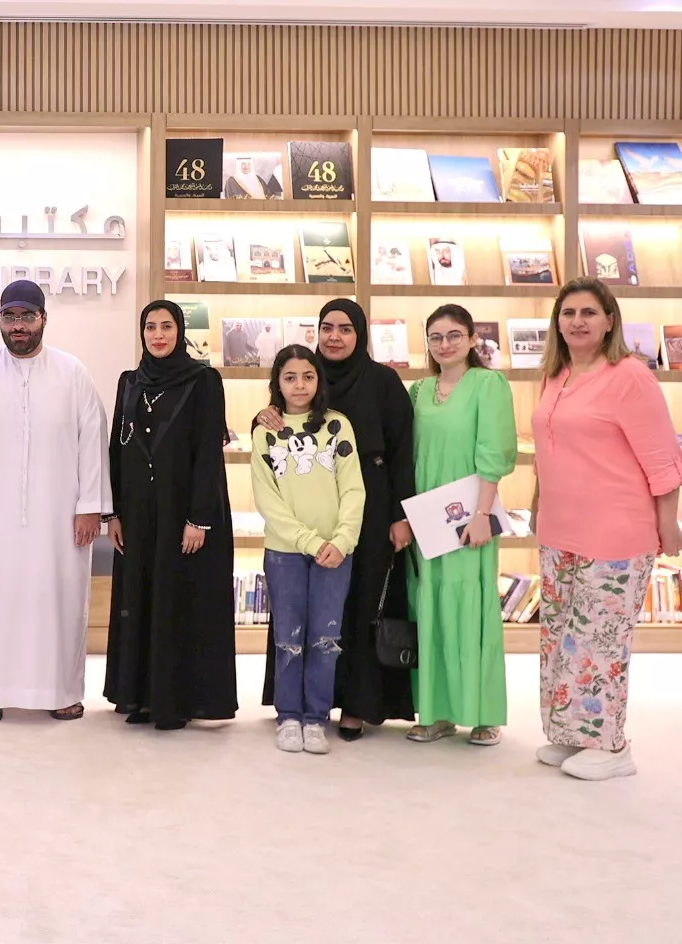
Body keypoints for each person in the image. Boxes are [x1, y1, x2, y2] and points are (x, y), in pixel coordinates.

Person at [532, 278, 682, 780]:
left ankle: (612, 746)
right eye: (568, 313)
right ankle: (573, 734)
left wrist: (668, 525)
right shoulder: (555, 374)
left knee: (600, 641)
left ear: (610, 320)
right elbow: (548, 452)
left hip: (616, 533)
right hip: (559, 532)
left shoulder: (631, 377)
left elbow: (662, 459)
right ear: (557, 322)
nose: (577, 321)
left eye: (589, 313)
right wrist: (537, 505)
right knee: (560, 637)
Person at [0, 280, 110, 722]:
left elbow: (92, 440)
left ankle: (61, 690)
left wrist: (89, 507)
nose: (18, 325)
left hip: (60, 518)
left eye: (27, 316)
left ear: (43, 319)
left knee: (58, 599)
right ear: (0, 320)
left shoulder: (72, 373)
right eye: (10, 316)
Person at [256, 299, 417, 739]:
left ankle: (356, 705)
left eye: (345, 329)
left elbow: (403, 452)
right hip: (310, 506)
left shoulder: (383, 381)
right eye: (327, 327)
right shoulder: (309, 374)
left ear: (360, 334)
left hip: (371, 505)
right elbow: (281, 417)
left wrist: (402, 514)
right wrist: (262, 415)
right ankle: (302, 706)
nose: (334, 337)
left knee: (362, 604)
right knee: (306, 612)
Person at [103, 301, 236, 729]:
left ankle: (177, 700)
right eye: (150, 327)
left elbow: (208, 453)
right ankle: (141, 697)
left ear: (180, 331)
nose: (158, 335)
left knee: (178, 599)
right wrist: (113, 514)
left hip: (183, 512)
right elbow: (116, 451)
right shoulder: (130, 382)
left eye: (166, 326)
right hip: (138, 513)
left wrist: (199, 518)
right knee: (141, 597)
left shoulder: (203, 381)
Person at [405, 304, 517, 747]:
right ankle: (437, 712)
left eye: (454, 335)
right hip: (425, 516)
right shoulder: (418, 390)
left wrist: (483, 515)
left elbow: (494, 451)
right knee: (428, 608)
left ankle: (484, 713)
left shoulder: (488, 385)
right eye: (435, 337)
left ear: (472, 339)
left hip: (469, 516)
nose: (444, 344)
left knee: (472, 608)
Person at [251, 346, 366, 754]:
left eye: (308, 376)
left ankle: (316, 718)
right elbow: (268, 500)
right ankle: (288, 716)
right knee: (288, 637)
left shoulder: (338, 425)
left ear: (319, 380)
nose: (299, 385)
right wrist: (311, 542)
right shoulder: (265, 432)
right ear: (277, 383)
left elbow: (353, 489)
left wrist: (342, 540)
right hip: (285, 552)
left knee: (326, 637)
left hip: (335, 551)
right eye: (290, 377)